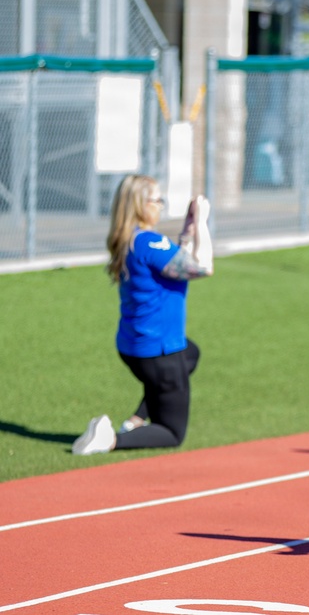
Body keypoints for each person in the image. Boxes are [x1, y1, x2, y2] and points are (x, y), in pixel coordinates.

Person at [72, 175, 214, 455]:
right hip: (160, 352)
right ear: (140, 205)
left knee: (192, 354)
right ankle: (110, 440)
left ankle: (136, 419)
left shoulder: (130, 240)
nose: (161, 205)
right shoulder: (150, 242)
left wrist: (187, 230)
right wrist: (203, 223)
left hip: (133, 345)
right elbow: (201, 267)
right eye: (157, 200)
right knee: (172, 431)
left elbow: (176, 264)